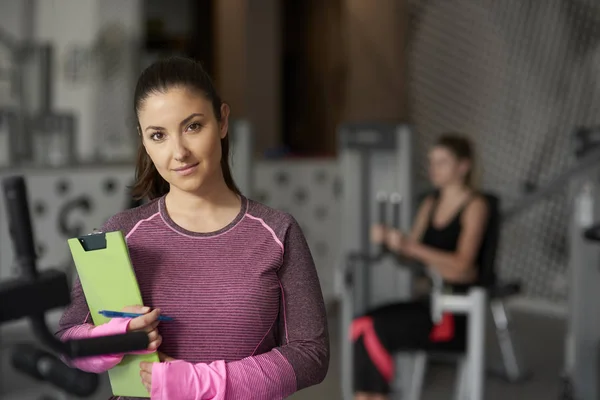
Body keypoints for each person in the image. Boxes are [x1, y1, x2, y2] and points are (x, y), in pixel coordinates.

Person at [56, 56, 330, 400]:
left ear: (223, 120)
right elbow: (68, 342)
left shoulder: (277, 232)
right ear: (144, 140)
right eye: (158, 135)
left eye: (193, 126)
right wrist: (117, 335)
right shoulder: (122, 233)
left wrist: (201, 383)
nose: (179, 152)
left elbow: (311, 354)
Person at [351, 134, 490, 400]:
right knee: (361, 324)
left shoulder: (476, 206)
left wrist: (408, 246)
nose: (433, 169)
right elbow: (410, 256)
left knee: (374, 328)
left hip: (454, 316)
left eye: (442, 162)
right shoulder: (430, 203)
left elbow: (463, 267)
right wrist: (391, 241)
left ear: (463, 166)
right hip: (431, 303)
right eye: (431, 162)